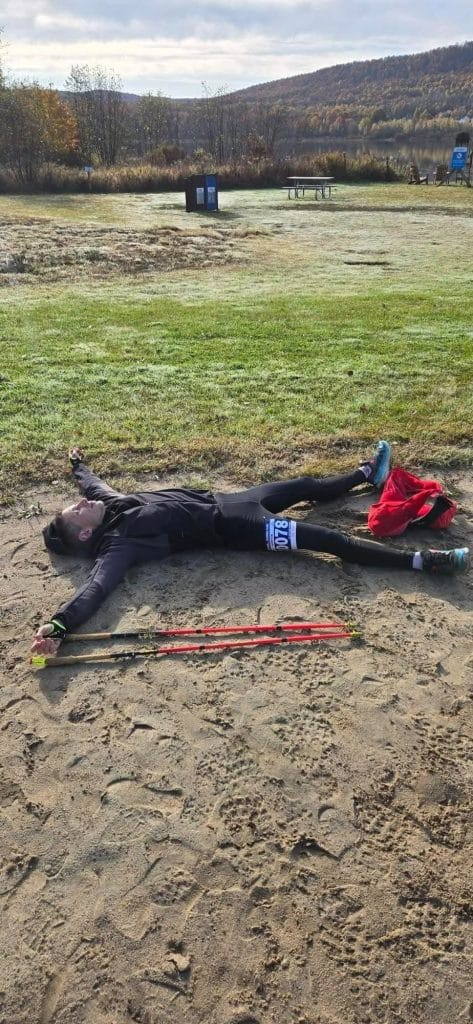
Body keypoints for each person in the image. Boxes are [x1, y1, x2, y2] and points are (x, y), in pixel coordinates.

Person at [31, 442, 470, 656]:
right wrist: (60, 624)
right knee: (327, 541)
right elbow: (97, 587)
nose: (83, 504)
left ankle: (366, 474)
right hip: (242, 528)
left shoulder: (109, 505)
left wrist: (77, 465)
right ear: (85, 535)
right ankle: (422, 563)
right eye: (77, 513)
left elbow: (93, 485)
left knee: (303, 485)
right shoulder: (119, 544)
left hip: (233, 499)